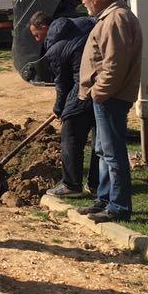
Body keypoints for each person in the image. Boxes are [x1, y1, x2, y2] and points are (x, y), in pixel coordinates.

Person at [75, 0, 143, 223]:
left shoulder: (115, 19)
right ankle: (104, 200)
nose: (83, 2)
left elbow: (114, 64)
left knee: (113, 153)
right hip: (107, 97)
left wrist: (98, 93)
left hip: (111, 98)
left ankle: (119, 206)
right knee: (103, 150)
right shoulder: (111, 17)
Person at [27, 11, 99, 198]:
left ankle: (71, 185)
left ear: (44, 28)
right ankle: (96, 184)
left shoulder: (55, 48)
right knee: (99, 139)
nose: (37, 40)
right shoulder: (80, 23)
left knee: (70, 134)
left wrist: (59, 108)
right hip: (104, 86)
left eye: (36, 35)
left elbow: (62, 83)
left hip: (82, 88)